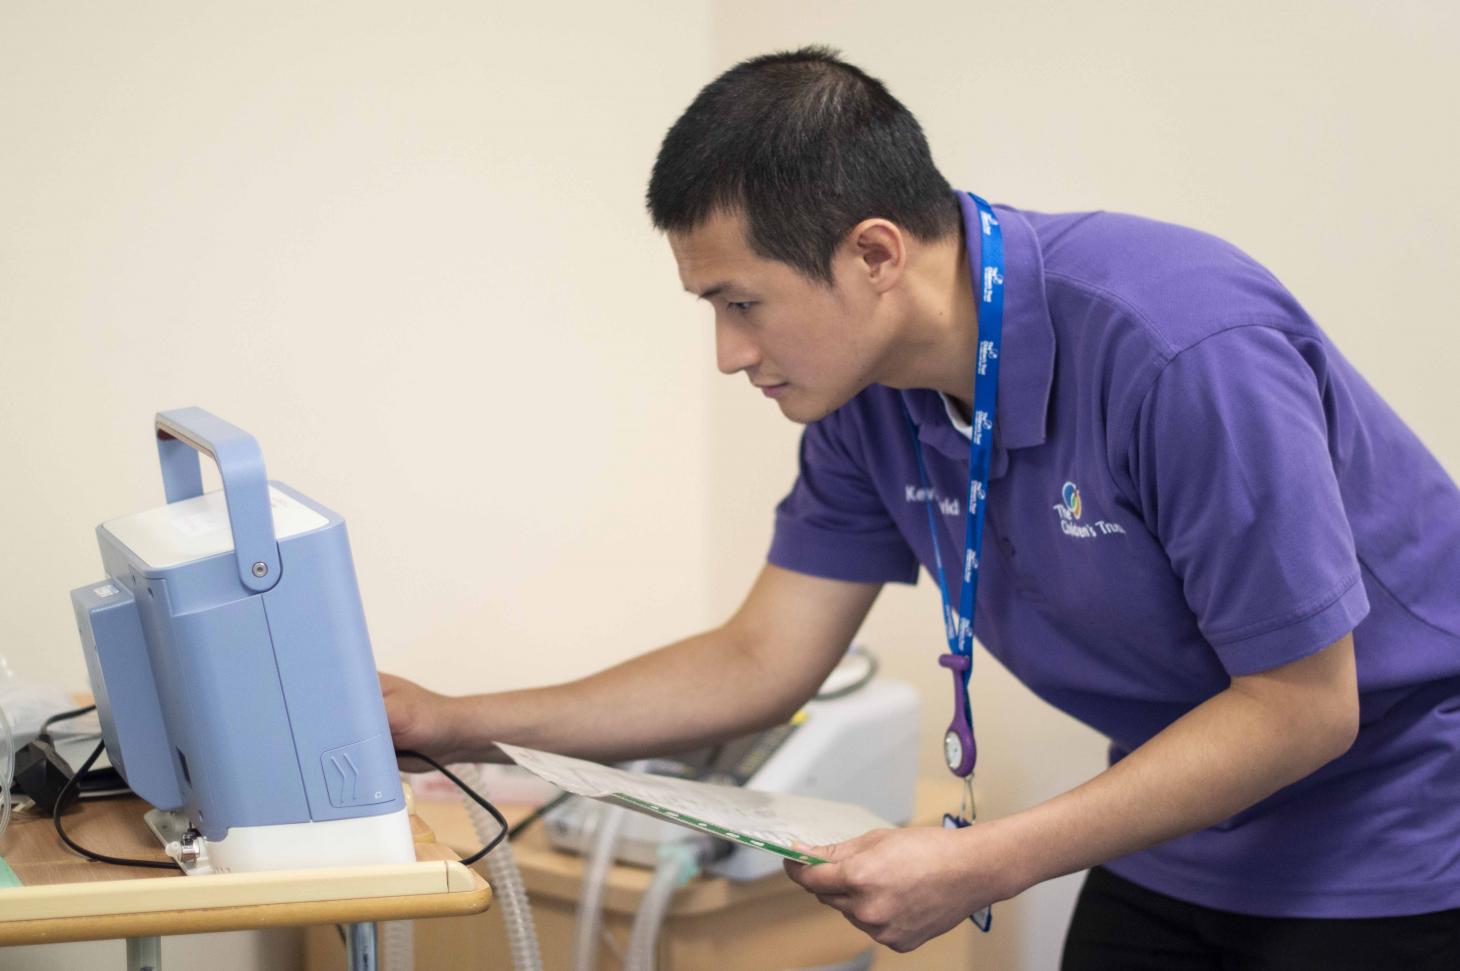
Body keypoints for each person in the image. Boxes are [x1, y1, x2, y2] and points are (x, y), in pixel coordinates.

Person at [382, 48, 1460, 967]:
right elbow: (760, 658)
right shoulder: (868, 401)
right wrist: (454, 722)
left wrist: (987, 855)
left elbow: (1304, 704)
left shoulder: (1175, 346)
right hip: (1175, 824)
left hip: (1393, 836)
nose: (728, 354)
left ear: (875, 253)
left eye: (742, 304)